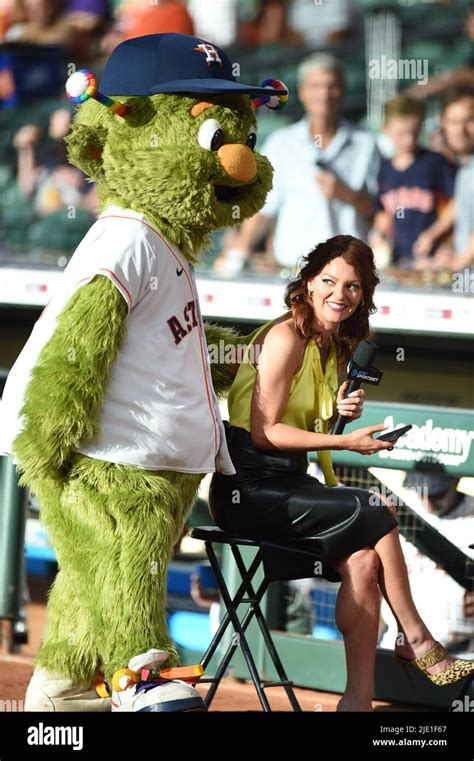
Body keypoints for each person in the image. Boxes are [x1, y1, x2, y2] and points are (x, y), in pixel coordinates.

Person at [208, 234, 474, 711]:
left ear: (363, 295)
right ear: (308, 283)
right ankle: (414, 636)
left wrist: (339, 417)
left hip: (291, 485)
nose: (340, 294)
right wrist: (344, 440)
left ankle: (358, 701)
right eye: (329, 281)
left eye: (353, 286)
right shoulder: (286, 336)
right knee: (374, 505)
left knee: (363, 562)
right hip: (247, 489)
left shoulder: (331, 345)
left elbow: (304, 425)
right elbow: (266, 432)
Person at [214, 53, 380, 276]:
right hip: (294, 270)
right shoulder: (282, 143)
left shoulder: (366, 144)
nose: (324, 94)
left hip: (348, 272)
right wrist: (240, 249)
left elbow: (379, 212)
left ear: (342, 91)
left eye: (332, 86)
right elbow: (265, 208)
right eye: (316, 86)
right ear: (302, 92)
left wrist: (346, 194)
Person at [380, 467, 474, 657]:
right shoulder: (400, 508)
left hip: (462, 652)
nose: (427, 500)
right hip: (397, 643)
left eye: (437, 494)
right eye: (422, 492)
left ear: (456, 482)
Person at [371, 94, 456, 266]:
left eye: (414, 132)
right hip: (398, 258)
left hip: (433, 257)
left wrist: (432, 235)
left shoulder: (435, 162)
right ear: (386, 128)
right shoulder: (385, 168)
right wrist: (377, 236)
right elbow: (384, 211)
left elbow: (456, 205)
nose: (409, 139)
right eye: (401, 133)